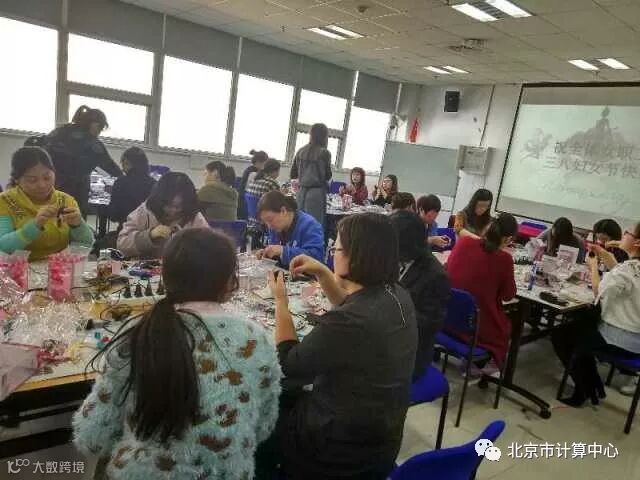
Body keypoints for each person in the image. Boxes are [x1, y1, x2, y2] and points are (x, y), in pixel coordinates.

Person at [73, 228, 281, 480]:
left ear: (165, 275)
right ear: (229, 282)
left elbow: (92, 438)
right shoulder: (256, 339)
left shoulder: (137, 335)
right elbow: (263, 427)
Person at [264, 213, 417, 479]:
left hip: (337, 452)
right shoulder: (396, 293)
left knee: (267, 404)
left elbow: (288, 362)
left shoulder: (351, 321)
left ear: (356, 256)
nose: (332, 253)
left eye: (335, 249)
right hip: (381, 439)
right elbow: (349, 303)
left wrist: (280, 302)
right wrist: (324, 272)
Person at [551, 222, 640, 407]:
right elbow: (623, 277)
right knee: (578, 327)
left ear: (637, 243)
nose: (624, 235)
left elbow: (599, 291)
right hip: (635, 339)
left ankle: (584, 389)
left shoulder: (627, 269)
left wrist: (592, 266)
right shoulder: (631, 268)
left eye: (628, 233)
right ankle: (594, 386)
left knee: (562, 335)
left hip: (618, 339)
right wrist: (606, 255)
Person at [446, 214, 518, 367]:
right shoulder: (504, 259)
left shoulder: (464, 242)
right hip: (474, 324)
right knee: (506, 325)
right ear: (508, 239)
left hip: (446, 315)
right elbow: (508, 295)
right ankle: (487, 367)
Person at [0, 147, 93, 260]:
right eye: (32, 180)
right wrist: (35, 225)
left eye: (47, 177)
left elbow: (85, 245)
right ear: (16, 179)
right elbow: (3, 247)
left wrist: (78, 225)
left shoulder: (66, 200)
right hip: (19, 268)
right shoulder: (5, 201)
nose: (42, 185)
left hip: (58, 267)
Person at [390, 210, 450, 380]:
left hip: (409, 354)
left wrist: (388, 311)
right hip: (386, 337)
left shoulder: (435, 275)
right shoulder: (397, 260)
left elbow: (429, 325)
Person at [38, 105, 123, 216]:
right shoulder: (92, 143)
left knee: (47, 220)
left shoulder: (60, 131)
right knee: (73, 222)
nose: (99, 133)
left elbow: (39, 151)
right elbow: (110, 167)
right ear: (95, 124)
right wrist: (125, 179)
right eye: (100, 129)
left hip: (45, 188)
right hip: (73, 194)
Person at [117, 172, 209, 258]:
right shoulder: (144, 212)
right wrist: (150, 235)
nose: (173, 210)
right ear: (159, 200)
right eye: (168, 205)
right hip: (145, 268)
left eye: (179, 206)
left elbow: (209, 247)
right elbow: (121, 244)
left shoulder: (194, 216)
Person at [255, 191, 324, 268]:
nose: (269, 226)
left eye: (270, 220)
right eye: (266, 222)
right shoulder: (275, 228)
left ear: (283, 211)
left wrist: (283, 251)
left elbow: (316, 257)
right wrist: (267, 254)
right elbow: (277, 255)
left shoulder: (309, 225)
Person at [290, 123, 332, 225]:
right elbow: (328, 175)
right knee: (314, 225)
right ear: (324, 136)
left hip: (301, 192)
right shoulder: (324, 153)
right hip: (316, 194)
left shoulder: (300, 151)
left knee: (300, 223)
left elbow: (293, 174)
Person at [107, 147, 156, 228]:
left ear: (128, 163)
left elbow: (113, 216)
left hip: (126, 229)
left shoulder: (120, 182)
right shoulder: (154, 183)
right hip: (149, 229)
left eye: (124, 164)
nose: (122, 169)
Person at [238, 150, 268, 219]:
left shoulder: (250, 169)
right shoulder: (253, 173)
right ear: (258, 162)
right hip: (244, 204)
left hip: (244, 201)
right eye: (265, 163)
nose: (266, 166)